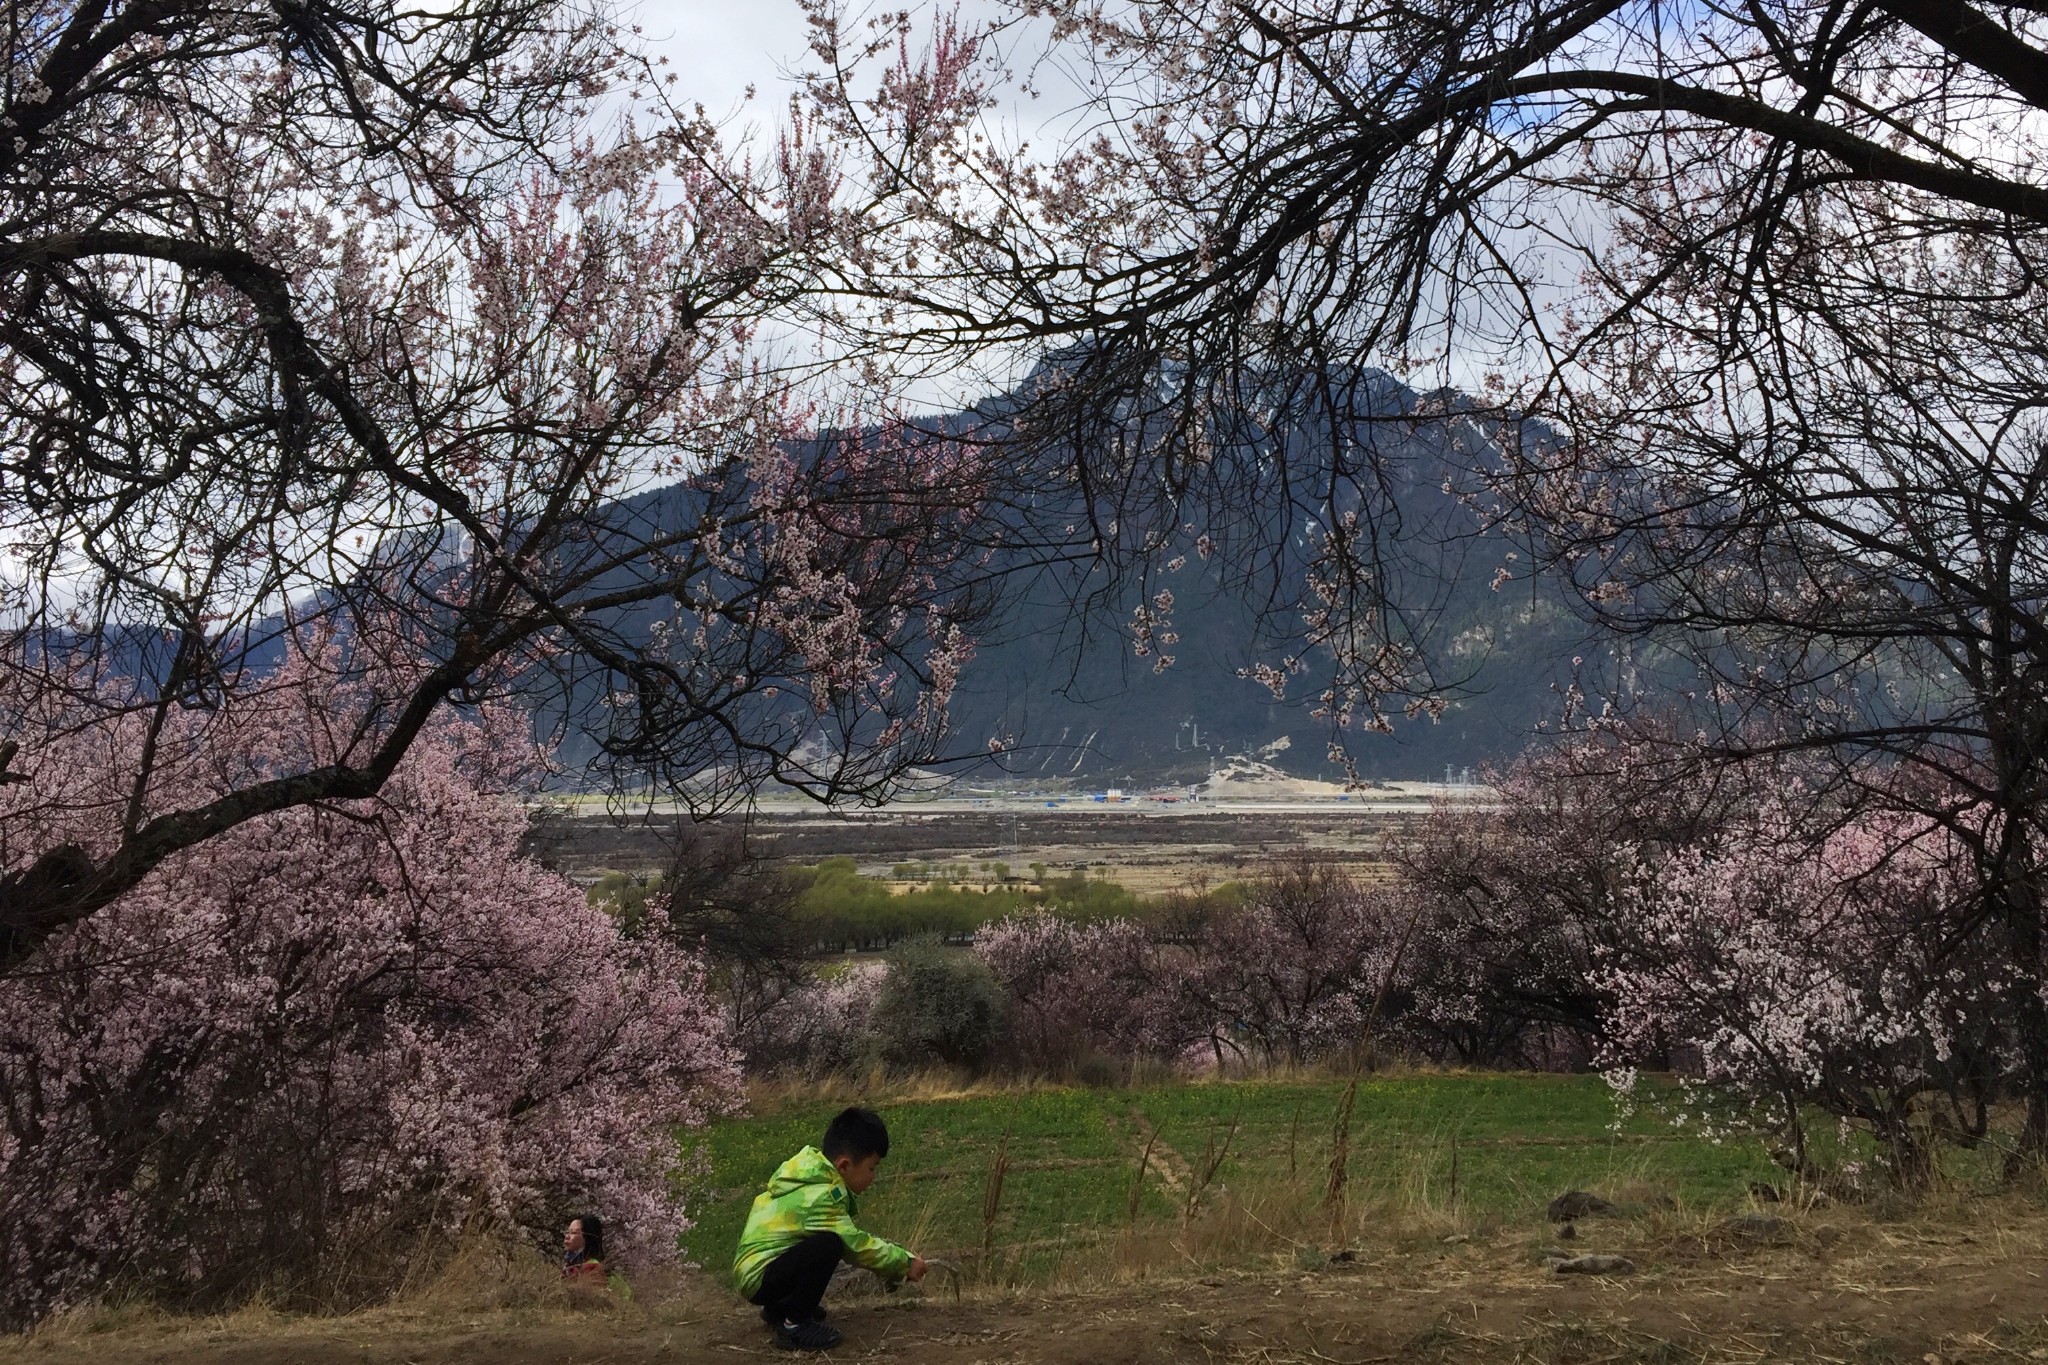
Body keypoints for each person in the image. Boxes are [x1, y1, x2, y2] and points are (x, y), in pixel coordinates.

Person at [733, 1106, 928, 1351]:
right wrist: (904, 1263)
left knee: (817, 1244)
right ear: (844, 1165)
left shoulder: (805, 1177)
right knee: (830, 1244)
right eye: (871, 1167)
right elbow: (856, 1245)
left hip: (757, 1272)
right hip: (761, 1278)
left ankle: (780, 1308)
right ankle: (795, 1327)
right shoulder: (822, 1197)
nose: (873, 1177)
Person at [562, 1213, 606, 1283]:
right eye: (567, 1232)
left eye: (573, 1232)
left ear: (587, 1237)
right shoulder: (569, 1264)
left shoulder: (593, 1267)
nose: (567, 1236)